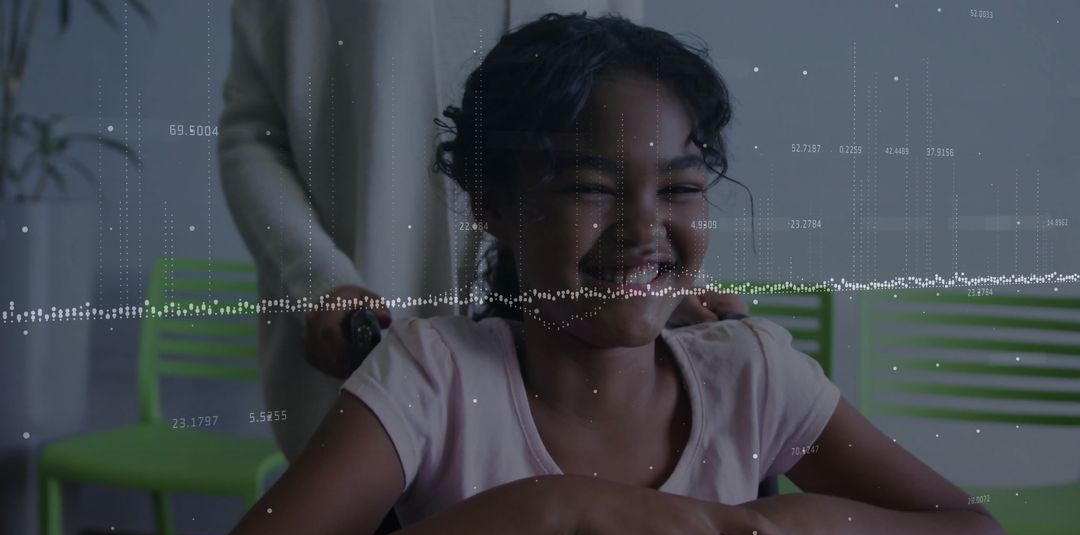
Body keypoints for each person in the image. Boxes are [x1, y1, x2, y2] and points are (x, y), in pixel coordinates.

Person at [208, 13, 1021, 535]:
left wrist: (806, 523)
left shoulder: (752, 375)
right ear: (493, 206)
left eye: (679, 188)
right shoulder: (432, 376)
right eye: (590, 188)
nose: (643, 228)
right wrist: (552, 514)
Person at [218, 0, 739, 465]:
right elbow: (253, 136)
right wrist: (319, 278)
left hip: (566, 357)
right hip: (369, 318)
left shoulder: (761, 375)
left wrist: (650, 288)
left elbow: (632, 135)